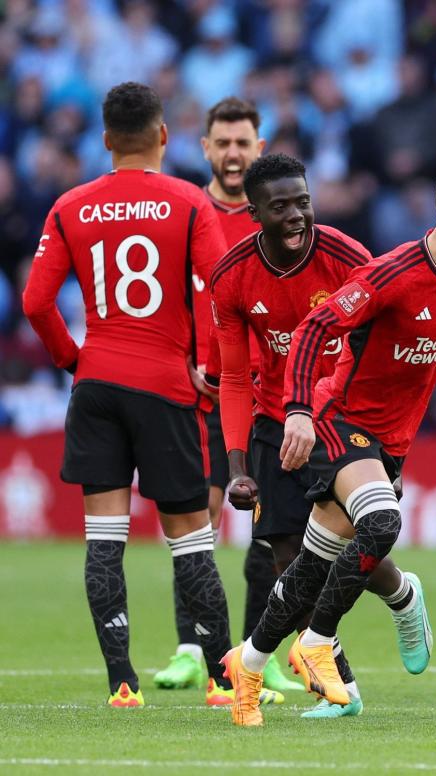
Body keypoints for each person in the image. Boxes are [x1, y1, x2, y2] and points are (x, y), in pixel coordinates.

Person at [222, 164, 436, 726]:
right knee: (381, 524)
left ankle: (248, 667)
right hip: (338, 418)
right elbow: (313, 329)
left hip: (392, 439)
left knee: (309, 563)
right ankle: (319, 641)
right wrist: (299, 411)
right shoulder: (392, 274)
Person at [21, 81, 238, 708]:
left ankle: (122, 683)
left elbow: (36, 302)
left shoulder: (71, 205)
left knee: (103, 540)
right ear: (164, 136)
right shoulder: (190, 202)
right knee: (191, 541)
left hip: (98, 384)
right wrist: (212, 367)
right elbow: (217, 297)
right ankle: (225, 684)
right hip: (165, 387)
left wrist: (73, 359)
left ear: (107, 140)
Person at [213, 153, 434, 721]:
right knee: (290, 560)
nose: (296, 216)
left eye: (303, 202)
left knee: (349, 540)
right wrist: (237, 463)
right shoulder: (232, 276)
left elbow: (373, 351)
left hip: (338, 418)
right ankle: (343, 688)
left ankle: (402, 595)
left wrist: (311, 411)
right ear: (254, 210)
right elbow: (235, 376)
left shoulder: (348, 258)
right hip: (270, 422)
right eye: (280, 206)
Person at [155, 95, 304, 698]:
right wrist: (182, 359)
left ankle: (256, 654)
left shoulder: (275, 216)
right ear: (205, 148)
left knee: (264, 529)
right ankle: (192, 649)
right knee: (196, 522)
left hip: (260, 397)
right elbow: (163, 297)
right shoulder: (186, 212)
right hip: (194, 393)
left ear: (259, 148)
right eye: (224, 142)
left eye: (245, 142)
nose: (234, 152)